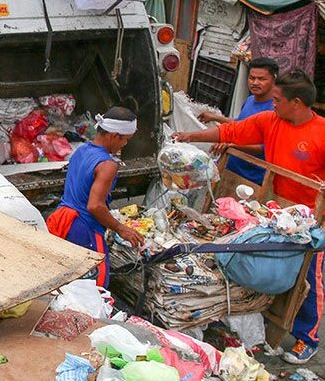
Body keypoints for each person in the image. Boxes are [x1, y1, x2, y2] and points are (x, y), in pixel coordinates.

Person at [174, 70, 325, 364]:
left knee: (309, 277)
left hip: (312, 220)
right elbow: (230, 133)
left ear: (296, 103)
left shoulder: (322, 132)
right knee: (274, 267)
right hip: (277, 212)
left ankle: (309, 338)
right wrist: (191, 135)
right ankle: (270, 315)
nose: (272, 104)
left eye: (278, 100)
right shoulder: (271, 121)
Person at [46, 106, 145, 288]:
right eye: (126, 140)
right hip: (84, 229)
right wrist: (120, 228)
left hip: (63, 222)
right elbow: (95, 206)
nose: (125, 145)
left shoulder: (81, 151)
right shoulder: (107, 165)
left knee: (65, 285)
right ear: (115, 136)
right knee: (94, 289)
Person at [198, 57, 279, 185]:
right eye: (252, 78)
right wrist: (216, 117)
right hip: (229, 168)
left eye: (262, 79)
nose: (255, 83)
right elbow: (241, 125)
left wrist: (233, 145)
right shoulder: (250, 100)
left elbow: (267, 147)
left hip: (252, 178)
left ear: (274, 79)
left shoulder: (276, 109)